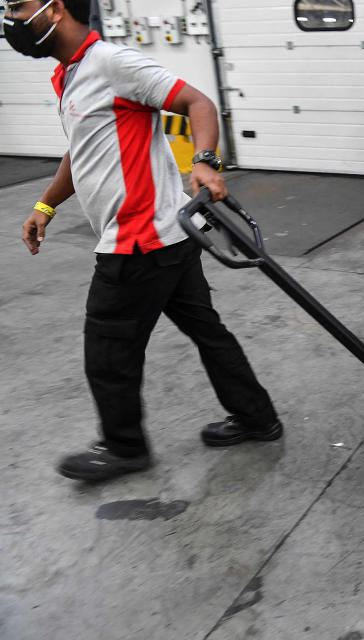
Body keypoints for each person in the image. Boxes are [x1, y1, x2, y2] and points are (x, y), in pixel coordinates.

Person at [8, 0, 282, 482]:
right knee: (208, 332)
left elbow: (198, 102)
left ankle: (123, 447)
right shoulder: (68, 75)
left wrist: (206, 161)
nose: (10, 18)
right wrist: (45, 205)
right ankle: (258, 417)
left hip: (138, 242)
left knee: (107, 349)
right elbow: (83, 150)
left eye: (18, 7)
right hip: (170, 235)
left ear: (54, 11)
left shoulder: (112, 63)